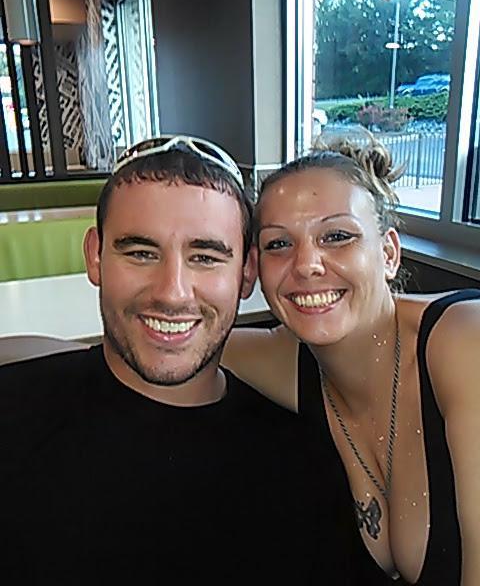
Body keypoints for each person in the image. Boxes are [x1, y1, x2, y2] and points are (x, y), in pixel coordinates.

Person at [0, 135, 375, 585]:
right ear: (95, 256)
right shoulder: (13, 412)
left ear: (247, 273)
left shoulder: (305, 466)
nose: (172, 292)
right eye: (141, 253)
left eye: (205, 257)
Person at [223, 131, 480, 586]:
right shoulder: (285, 359)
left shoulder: (464, 342)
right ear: (254, 269)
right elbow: (175, 347)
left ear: (388, 253)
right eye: (279, 244)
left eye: (337, 236)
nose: (306, 264)